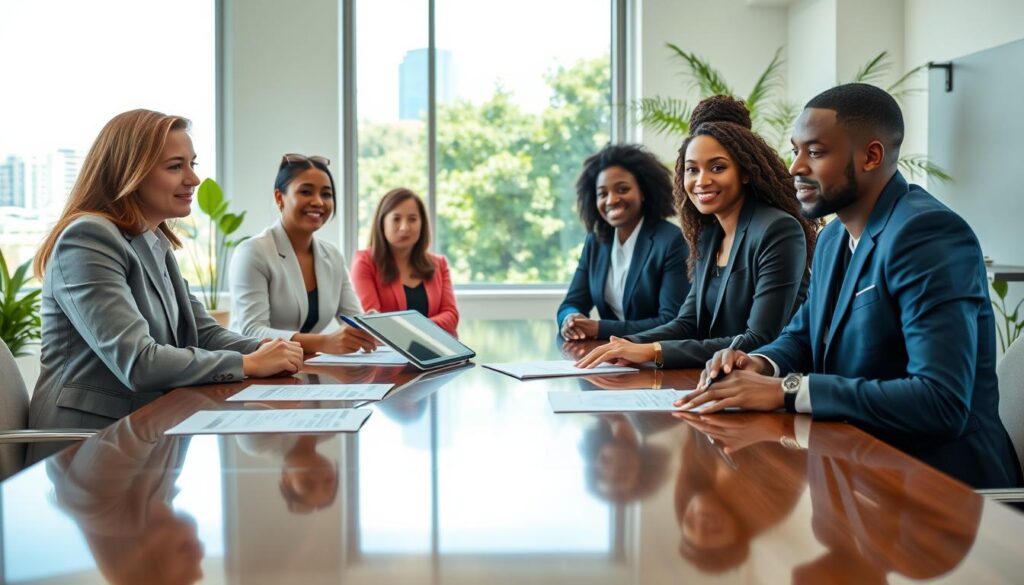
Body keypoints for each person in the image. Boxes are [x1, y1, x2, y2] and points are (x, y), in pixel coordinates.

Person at [680, 84, 1022, 489]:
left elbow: (940, 402)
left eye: (816, 152)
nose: (795, 168)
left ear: (871, 156)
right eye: (796, 150)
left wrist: (787, 391)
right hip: (857, 469)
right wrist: (757, 363)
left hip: (940, 490)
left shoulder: (926, 234)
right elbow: (803, 336)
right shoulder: (831, 239)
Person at [28, 110, 303, 451]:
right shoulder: (88, 239)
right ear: (130, 173)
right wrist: (247, 364)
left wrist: (267, 350)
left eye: (193, 164)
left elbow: (204, 332)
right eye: (175, 167)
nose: (194, 179)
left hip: (144, 431)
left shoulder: (154, 242)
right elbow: (139, 362)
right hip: (84, 447)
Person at [576, 96, 819, 369]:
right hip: (714, 376)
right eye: (692, 170)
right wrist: (627, 344)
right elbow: (687, 323)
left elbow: (759, 339)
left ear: (746, 172)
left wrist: (653, 351)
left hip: (769, 385)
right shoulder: (708, 237)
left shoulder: (778, 229)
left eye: (717, 168)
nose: (701, 181)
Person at [229, 154, 378, 354]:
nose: (318, 202)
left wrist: (371, 326)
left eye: (326, 194)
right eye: (306, 192)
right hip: (252, 368)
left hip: (301, 368)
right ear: (279, 197)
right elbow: (252, 331)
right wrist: (323, 343)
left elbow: (353, 318)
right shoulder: (253, 252)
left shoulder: (332, 255)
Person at [557, 144, 689, 340]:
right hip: (614, 358)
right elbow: (571, 303)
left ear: (643, 191)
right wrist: (570, 319)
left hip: (656, 359)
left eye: (622, 189)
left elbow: (670, 322)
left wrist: (600, 329)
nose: (612, 200)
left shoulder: (671, 241)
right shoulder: (596, 242)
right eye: (602, 193)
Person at [351, 188, 459, 335]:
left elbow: (451, 316)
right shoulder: (365, 263)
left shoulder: (439, 264)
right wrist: (427, 329)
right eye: (396, 219)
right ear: (382, 222)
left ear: (422, 223)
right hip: (388, 355)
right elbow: (375, 322)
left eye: (412, 219)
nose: (404, 227)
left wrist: (411, 329)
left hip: (439, 353)